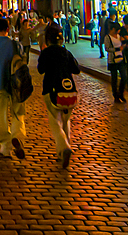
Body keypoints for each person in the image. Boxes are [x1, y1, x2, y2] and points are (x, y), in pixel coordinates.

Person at [36, 24, 80, 168]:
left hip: (51, 90)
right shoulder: (66, 53)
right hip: (69, 91)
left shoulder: (46, 52)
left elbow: (41, 70)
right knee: (66, 121)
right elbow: (76, 69)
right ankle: (62, 151)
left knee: (55, 121)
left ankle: (63, 147)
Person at [0, 17, 26, 159]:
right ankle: (17, 135)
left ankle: (5, 146)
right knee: (17, 112)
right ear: (8, 29)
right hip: (16, 84)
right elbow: (21, 59)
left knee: (0, 115)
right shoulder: (15, 45)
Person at [104, 22, 128, 103]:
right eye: (117, 30)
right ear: (113, 29)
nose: (118, 32)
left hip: (121, 59)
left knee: (124, 76)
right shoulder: (107, 37)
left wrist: (123, 44)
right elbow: (107, 48)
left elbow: (123, 45)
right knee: (114, 79)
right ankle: (116, 95)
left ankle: (121, 93)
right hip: (113, 60)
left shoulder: (119, 36)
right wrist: (117, 49)